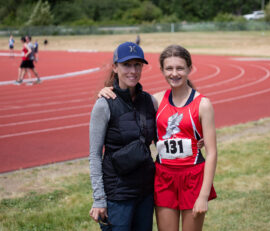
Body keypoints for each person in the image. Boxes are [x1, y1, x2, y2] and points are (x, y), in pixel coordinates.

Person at [98, 44, 217, 231]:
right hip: (164, 178)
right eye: (169, 68)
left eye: (180, 68)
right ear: (162, 70)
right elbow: (131, 103)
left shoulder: (203, 104)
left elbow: (211, 153)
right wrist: (106, 90)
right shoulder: (155, 101)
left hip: (193, 178)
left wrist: (203, 195)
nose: (174, 73)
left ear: (189, 68)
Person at [89, 41, 157, 231]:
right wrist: (99, 199)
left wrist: (196, 142)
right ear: (115, 67)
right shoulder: (104, 104)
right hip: (118, 195)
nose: (133, 71)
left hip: (145, 193)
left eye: (138, 65)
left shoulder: (150, 101)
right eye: (127, 65)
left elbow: (163, 143)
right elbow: (94, 155)